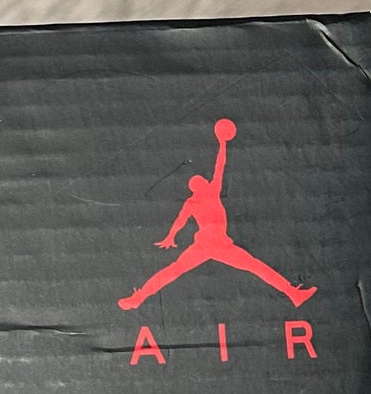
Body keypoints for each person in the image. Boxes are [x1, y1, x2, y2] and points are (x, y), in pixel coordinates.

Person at [118, 117, 315, 312]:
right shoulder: (206, 195)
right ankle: (292, 293)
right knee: (253, 266)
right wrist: (222, 143)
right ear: (197, 187)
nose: (204, 181)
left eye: (203, 180)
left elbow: (217, 169)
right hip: (211, 245)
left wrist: (171, 236)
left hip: (214, 245)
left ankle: (293, 293)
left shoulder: (200, 198)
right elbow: (216, 171)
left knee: (176, 270)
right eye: (201, 181)